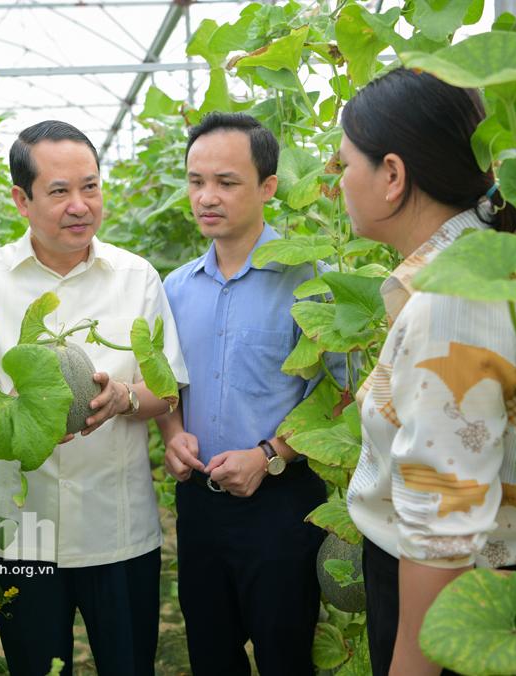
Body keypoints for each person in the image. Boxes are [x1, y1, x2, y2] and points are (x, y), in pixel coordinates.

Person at [0, 120, 188, 676]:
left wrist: (124, 398)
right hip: (17, 535)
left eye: (90, 186)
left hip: (119, 530)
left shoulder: (138, 277)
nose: (80, 205)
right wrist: (24, 418)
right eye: (59, 191)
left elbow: (166, 386)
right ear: (21, 200)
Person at [341, 68, 516, 675]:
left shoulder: (453, 301)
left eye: (345, 165)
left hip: (453, 602)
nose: (339, 183)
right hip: (477, 589)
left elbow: (442, 525)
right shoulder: (487, 263)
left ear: (392, 175)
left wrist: (412, 665)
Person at [157, 112, 343, 675]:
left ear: (267, 186)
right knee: (211, 654)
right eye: (196, 181)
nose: (206, 197)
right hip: (199, 501)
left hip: (282, 504)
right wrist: (172, 434)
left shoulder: (311, 281)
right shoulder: (175, 288)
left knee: (285, 656)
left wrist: (268, 456)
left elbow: (340, 396)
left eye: (226, 182)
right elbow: (166, 384)